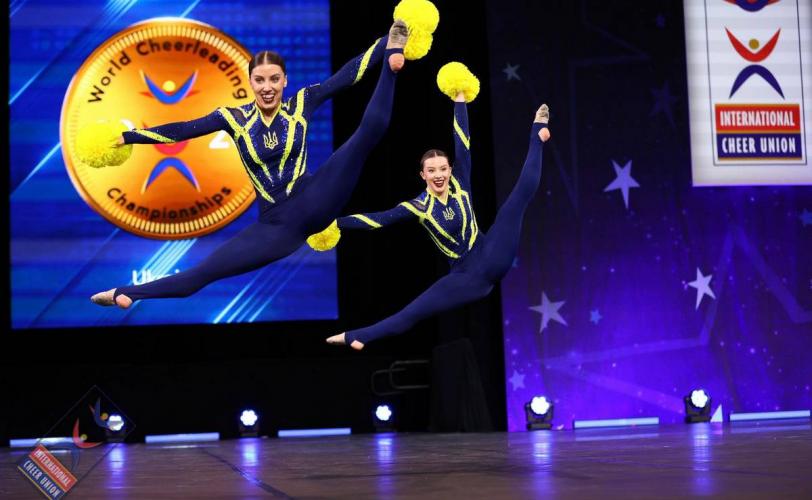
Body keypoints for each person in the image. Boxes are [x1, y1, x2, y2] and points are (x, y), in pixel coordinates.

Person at [90, 20, 413, 308]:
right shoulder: (233, 118)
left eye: (274, 79)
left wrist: (387, 42)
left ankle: (392, 62)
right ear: (250, 82)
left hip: (316, 197)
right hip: (275, 227)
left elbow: (348, 75)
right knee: (201, 275)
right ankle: (126, 293)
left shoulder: (302, 102)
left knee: (367, 134)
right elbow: (182, 130)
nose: (267, 87)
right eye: (259, 80)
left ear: (284, 81)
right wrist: (129, 137)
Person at [322, 69, 550, 349]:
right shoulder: (417, 206)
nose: (439, 174)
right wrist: (336, 223)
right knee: (412, 312)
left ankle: (537, 136)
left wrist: (460, 97)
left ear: (450, 170)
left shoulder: (460, 182)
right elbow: (377, 221)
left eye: (443, 168)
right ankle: (358, 336)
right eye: (432, 170)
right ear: (423, 175)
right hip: (464, 278)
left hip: (491, 253)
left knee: (515, 202)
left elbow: (462, 141)